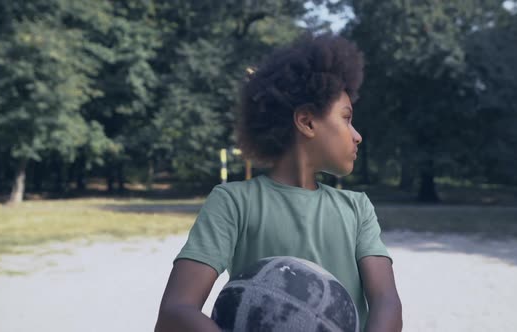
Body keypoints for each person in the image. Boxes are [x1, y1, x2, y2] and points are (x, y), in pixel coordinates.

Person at [155, 33, 402, 332]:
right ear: (307, 122)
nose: (357, 135)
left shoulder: (357, 208)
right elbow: (175, 311)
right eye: (346, 118)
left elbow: (386, 301)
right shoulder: (234, 202)